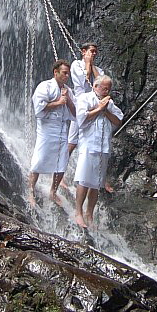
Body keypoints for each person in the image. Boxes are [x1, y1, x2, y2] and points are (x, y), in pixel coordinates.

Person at [74, 75, 123, 228]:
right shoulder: (85, 98)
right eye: (104, 87)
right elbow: (81, 119)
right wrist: (99, 108)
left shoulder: (110, 103)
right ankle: (78, 213)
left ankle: (89, 213)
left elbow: (118, 121)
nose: (107, 90)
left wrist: (106, 110)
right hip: (89, 144)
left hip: (103, 146)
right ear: (95, 86)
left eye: (109, 88)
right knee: (84, 179)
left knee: (96, 183)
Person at [61, 43, 112, 190]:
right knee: (72, 142)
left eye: (96, 51)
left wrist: (92, 64)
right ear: (84, 52)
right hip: (80, 105)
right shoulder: (76, 64)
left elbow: (101, 82)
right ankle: (60, 174)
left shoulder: (99, 69)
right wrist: (88, 62)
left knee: (98, 142)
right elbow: (86, 79)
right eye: (92, 51)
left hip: (95, 106)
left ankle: (100, 178)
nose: (94, 54)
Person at [28, 60, 76, 207]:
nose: (67, 76)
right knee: (40, 158)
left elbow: (75, 114)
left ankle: (53, 192)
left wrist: (67, 101)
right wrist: (58, 102)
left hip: (62, 130)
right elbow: (39, 108)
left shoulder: (68, 90)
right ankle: (30, 189)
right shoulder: (45, 86)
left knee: (62, 162)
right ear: (56, 72)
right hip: (47, 129)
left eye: (68, 73)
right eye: (64, 73)